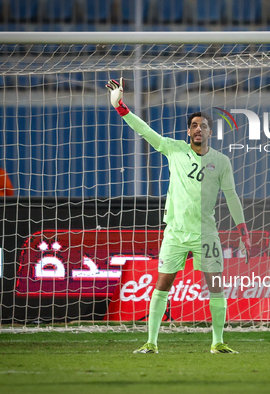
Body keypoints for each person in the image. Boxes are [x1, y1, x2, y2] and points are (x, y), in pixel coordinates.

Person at [106, 78, 251, 354]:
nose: (199, 129)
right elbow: (146, 132)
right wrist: (121, 107)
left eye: (204, 126)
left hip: (206, 232)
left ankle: (218, 341)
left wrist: (243, 230)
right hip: (175, 231)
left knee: (216, 285)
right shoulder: (174, 149)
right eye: (195, 125)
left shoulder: (221, 161)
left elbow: (231, 196)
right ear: (188, 131)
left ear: (210, 132)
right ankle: (151, 342)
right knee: (163, 283)